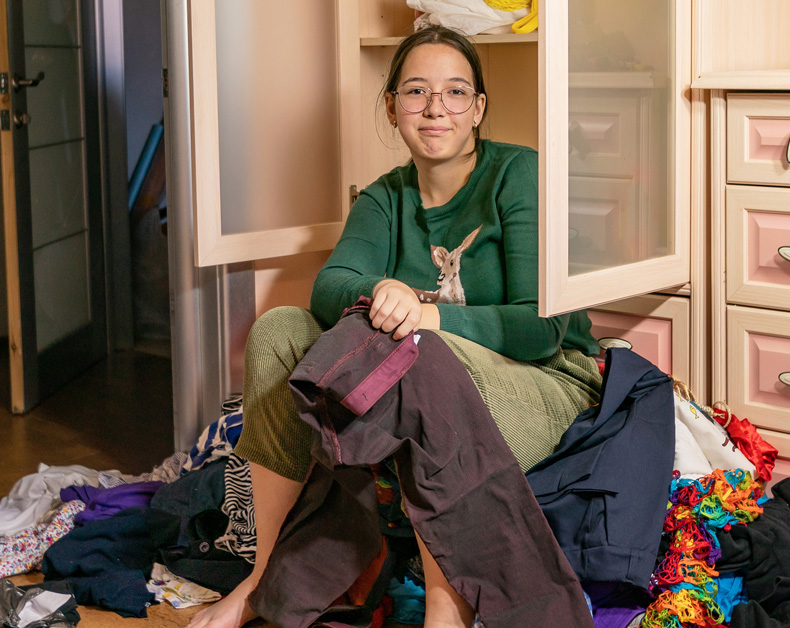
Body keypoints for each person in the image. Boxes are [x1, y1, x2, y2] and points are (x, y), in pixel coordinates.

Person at [187, 25, 601, 628]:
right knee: (280, 329)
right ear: (391, 106)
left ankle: (446, 605)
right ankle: (262, 579)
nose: (436, 108)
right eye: (416, 91)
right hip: (423, 377)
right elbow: (328, 288)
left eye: (456, 92)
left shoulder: (518, 175)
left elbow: (543, 331)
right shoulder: (384, 199)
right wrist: (380, 290)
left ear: (479, 108)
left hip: (544, 381)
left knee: (421, 352)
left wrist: (428, 315)